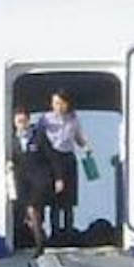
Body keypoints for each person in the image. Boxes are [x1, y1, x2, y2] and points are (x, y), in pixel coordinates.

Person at [37, 90, 90, 239]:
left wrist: (86, 146)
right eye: (55, 103)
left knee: (69, 200)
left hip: (68, 158)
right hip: (51, 158)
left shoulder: (73, 118)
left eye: (61, 103)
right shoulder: (45, 119)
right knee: (54, 198)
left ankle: (68, 231)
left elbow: (78, 138)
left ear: (67, 104)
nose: (57, 106)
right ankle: (54, 233)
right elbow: (39, 138)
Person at [8, 108, 54, 250]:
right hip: (20, 180)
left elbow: (50, 156)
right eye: (19, 121)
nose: (21, 124)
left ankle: (39, 242)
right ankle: (32, 237)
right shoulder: (11, 140)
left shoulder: (38, 137)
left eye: (24, 121)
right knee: (24, 211)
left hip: (37, 180)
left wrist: (55, 177)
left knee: (33, 209)